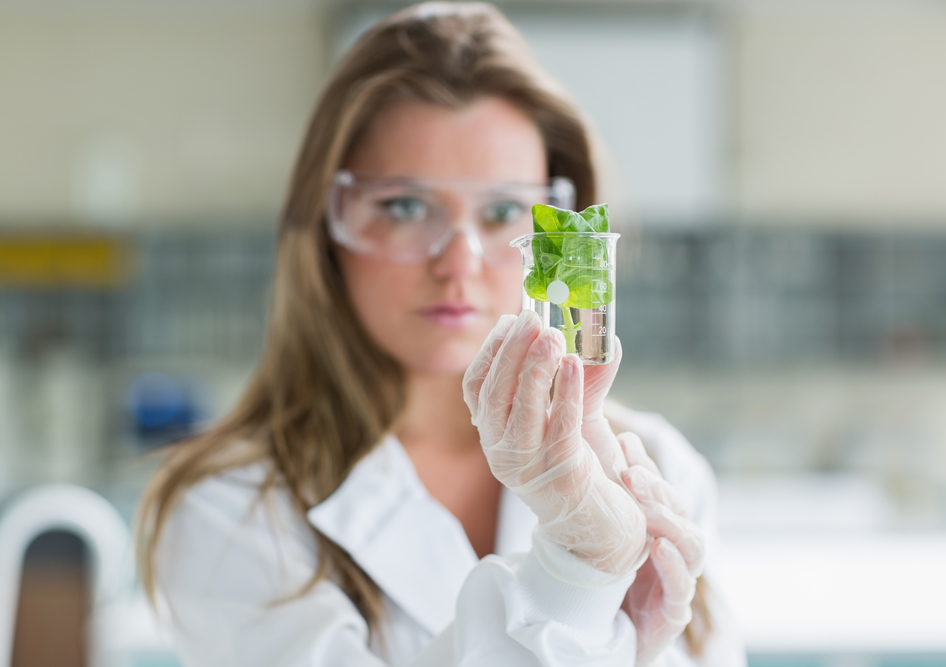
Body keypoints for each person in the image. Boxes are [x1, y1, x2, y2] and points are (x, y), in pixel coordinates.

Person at [136, 3, 746, 666]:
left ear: (559, 236)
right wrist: (578, 576)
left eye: (506, 211)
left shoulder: (660, 465)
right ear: (325, 230)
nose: (460, 263)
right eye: (404, 206)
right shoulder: (233, 510)